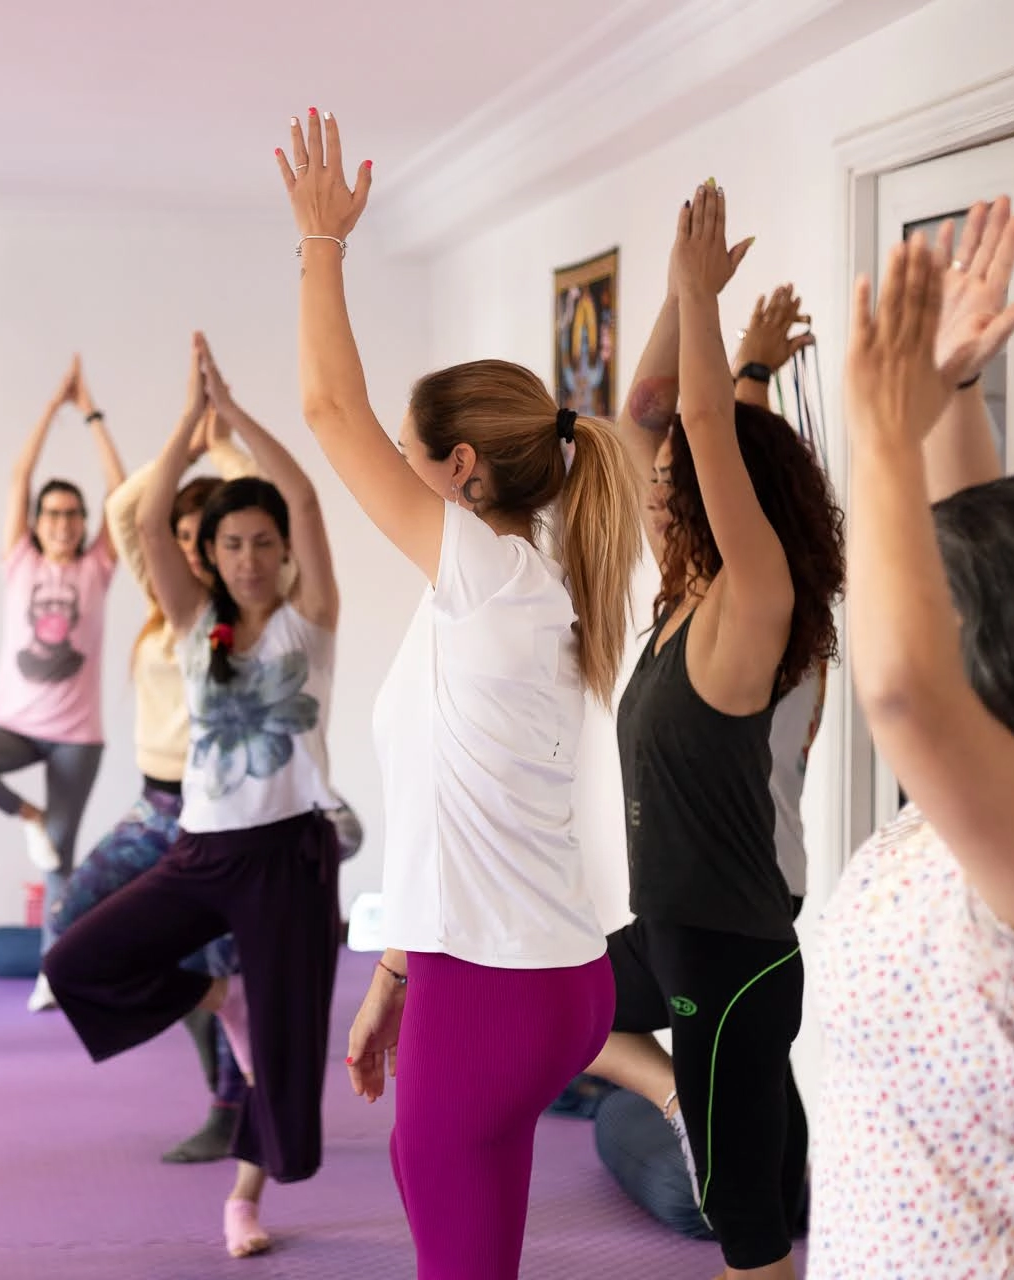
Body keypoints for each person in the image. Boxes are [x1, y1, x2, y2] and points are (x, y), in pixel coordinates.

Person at [274, 109, 636, 1277]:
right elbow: (442, 801)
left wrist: (321, 244)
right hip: (515, 973)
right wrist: (391, 973)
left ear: (461, 472)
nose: (406, 486)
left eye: (420, 463)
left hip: (500, 990)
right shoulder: (509, 587)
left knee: (452, 1243)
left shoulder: (489, 573)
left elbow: (332, 413)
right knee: (474, 1233)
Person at [814, 200, 1014, 1276]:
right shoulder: (1007, 803)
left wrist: (883, 432)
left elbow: (901, 687)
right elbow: (972, 557)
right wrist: (947, 395)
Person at [587, 181, 845, 1280]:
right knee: (545, 997)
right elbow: (667, 425)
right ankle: (678, 1097)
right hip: (679, 933)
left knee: (753, 1244)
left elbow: (697, 434)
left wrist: (694, 299)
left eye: (669, 493)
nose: (651, 498)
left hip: (733, 960)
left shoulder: (755, 608)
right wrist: (744, 364)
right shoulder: (688, 595)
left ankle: (711, 1114)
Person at [45, 332, 341, 1259]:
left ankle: (245, 1201)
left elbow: (302, 492)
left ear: (284, 552)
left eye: (262, 543)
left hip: (291, 853)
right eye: (231, 543)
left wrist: (240, 416)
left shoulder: (309, 624)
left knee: (288, 1066)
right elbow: (140, 523)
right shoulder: (191, 621)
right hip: (202, 852)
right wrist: (185, 420)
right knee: (76, 962)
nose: (249, 557)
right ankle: (222, 997)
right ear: (208, 553)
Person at [0, 357, 125, 1009]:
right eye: (52, 513)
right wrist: (52, 410)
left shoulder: (99, 568)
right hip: (15, 724)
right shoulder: (18, 559)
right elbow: (20, 477)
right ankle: (30, 815)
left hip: (78, 736)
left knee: (60, 860)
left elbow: (120, 491)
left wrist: (94, 416)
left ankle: (56, 966)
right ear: (37, 521)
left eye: (73, 514)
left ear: (82, 523)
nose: (63, 522)